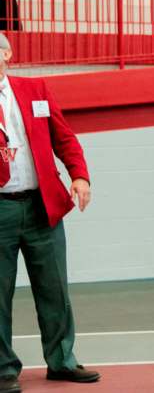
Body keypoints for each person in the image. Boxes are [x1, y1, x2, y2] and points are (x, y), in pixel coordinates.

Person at [0, 32, 98, 393]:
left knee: (55, 288)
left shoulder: (36, 89)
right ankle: (3, 367)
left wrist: (80, 176)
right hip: (1, 209)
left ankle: (62, 360)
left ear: (7, 53)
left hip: (43, 205)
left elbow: (64, 138)